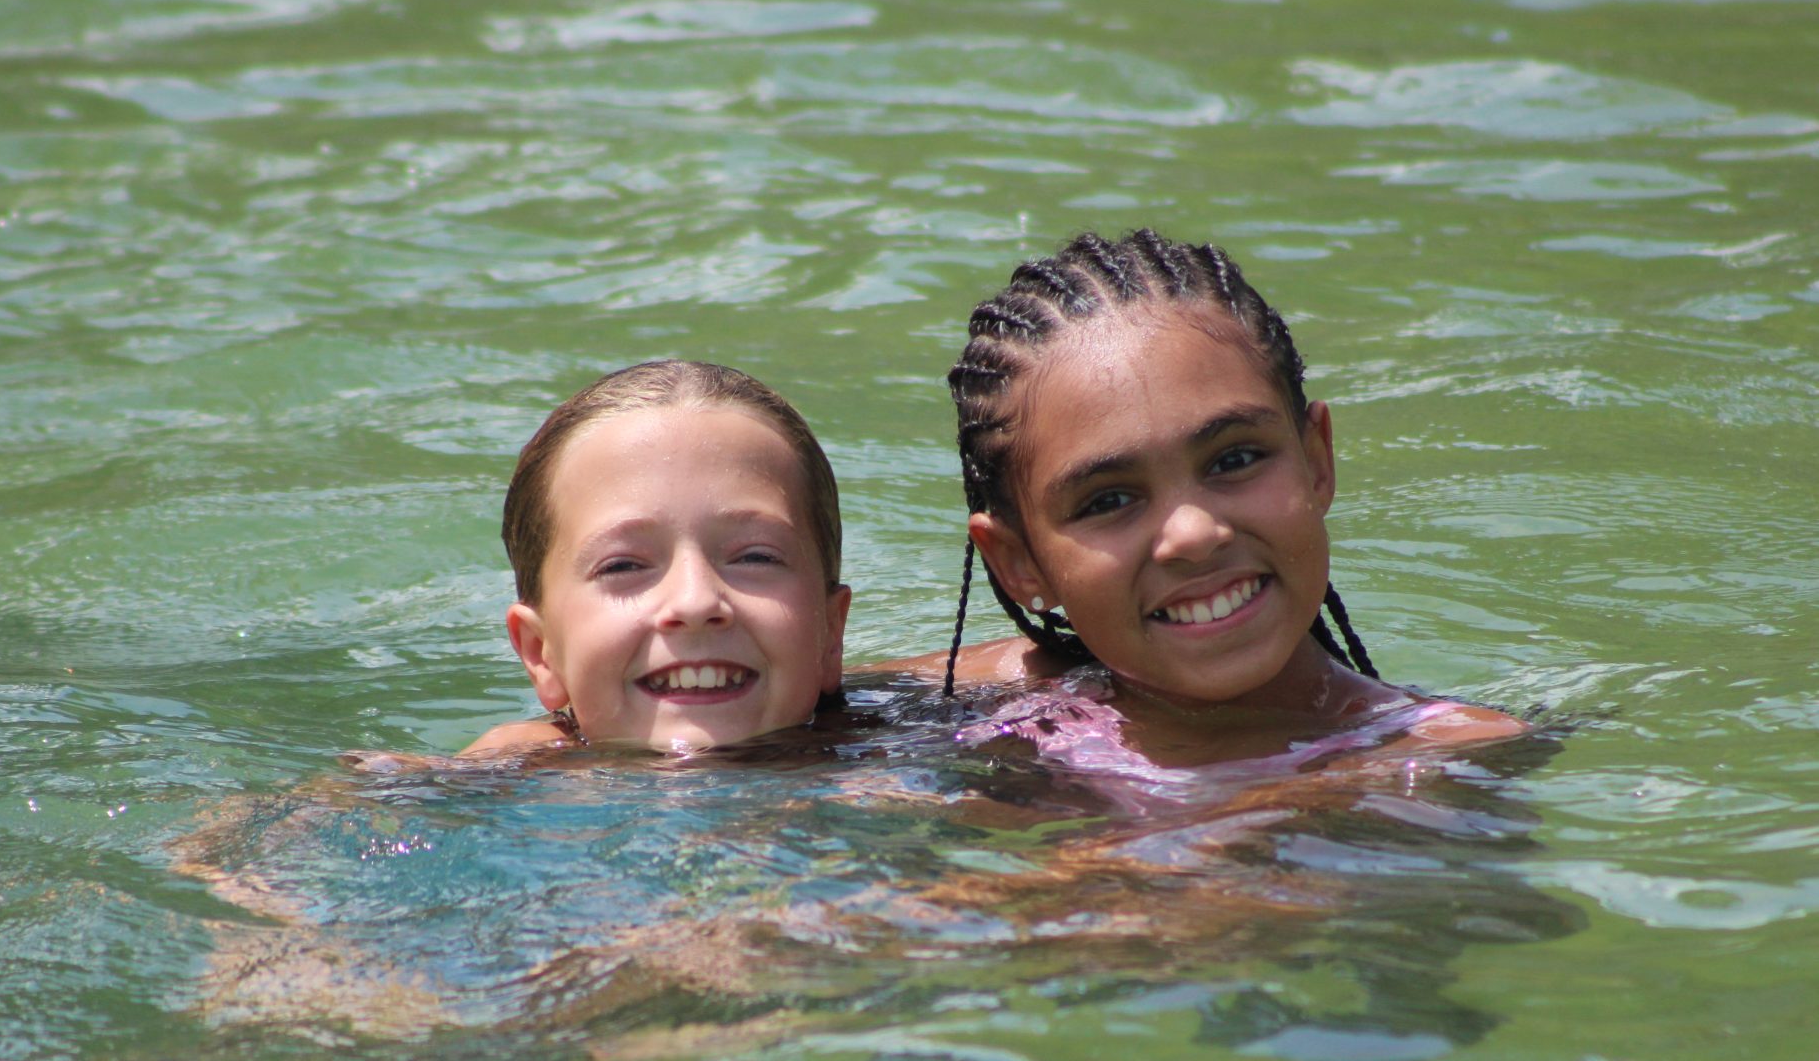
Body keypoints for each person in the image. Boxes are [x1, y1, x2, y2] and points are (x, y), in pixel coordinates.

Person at [884, 230, 1523, 765]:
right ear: (1018, 563)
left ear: (1317, 461)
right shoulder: (972, 704)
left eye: (1235, 460)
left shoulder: (1437, 757)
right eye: (1108, 500)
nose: (1193, 533)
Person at [460, 359, 851, 755]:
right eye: (622, 565)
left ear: (831, 632)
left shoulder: (906, 745)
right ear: (539, 653)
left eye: (755, 557)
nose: (695, 602)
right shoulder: (476, 791)